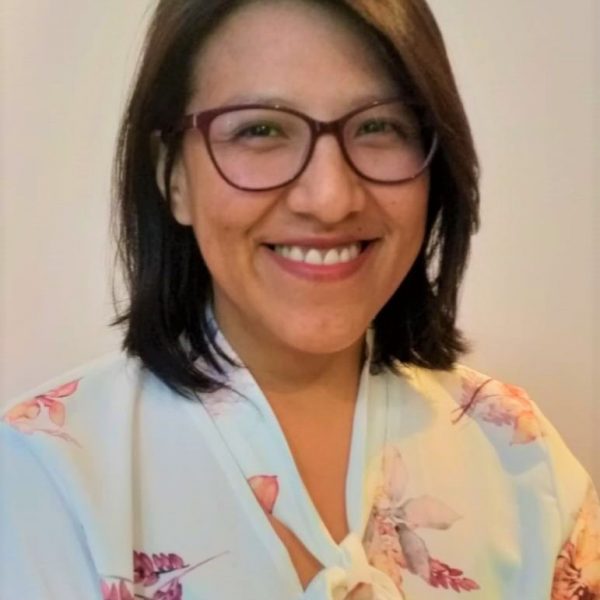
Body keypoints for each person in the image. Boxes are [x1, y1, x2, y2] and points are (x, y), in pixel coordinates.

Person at [1, 0, 598, 598]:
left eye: (380, 127)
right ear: (173, 177)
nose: (330, 198)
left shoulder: (519, 456)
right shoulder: (45, 476)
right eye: (260, 130)